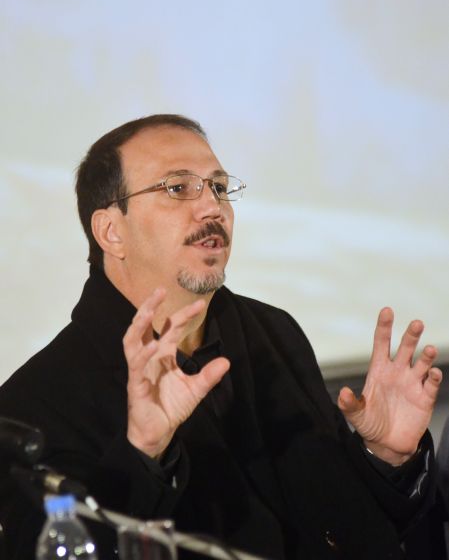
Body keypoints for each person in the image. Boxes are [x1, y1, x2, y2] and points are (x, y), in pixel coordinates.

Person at [0, 114, 443, 559]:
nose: (213, 208)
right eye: (178, 188)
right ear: (112, 232)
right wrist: (143, 454)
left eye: (218, 187)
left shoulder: (274, 333)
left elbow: (347, 522)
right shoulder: (34, 404)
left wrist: (387, 458)